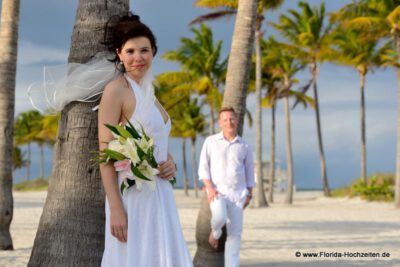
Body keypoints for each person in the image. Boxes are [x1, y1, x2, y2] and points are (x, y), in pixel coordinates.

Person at [98, 13, 193, 266]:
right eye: (130, 51)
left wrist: (170, 161)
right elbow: (105, 153)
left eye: (144, 50)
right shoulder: (116, 90)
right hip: (134, 197)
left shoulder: (150, 91)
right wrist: (116, 209)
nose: (137, 57)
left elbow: (156, 141)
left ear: (153, 53)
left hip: (160, 193)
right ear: (119, 53)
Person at [198, 107, 255, 267]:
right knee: (220, 218)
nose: (229, 122)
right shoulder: (211, 141)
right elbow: (203, 168)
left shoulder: (244, 146)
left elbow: (250, 172)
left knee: (235, 235)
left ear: (237, 121)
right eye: (225, 120)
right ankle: (215, 233)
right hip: (217, 193)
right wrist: (210, 188)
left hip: (239, 195)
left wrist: (249, 194)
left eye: (231, 119)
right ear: (220, 123)